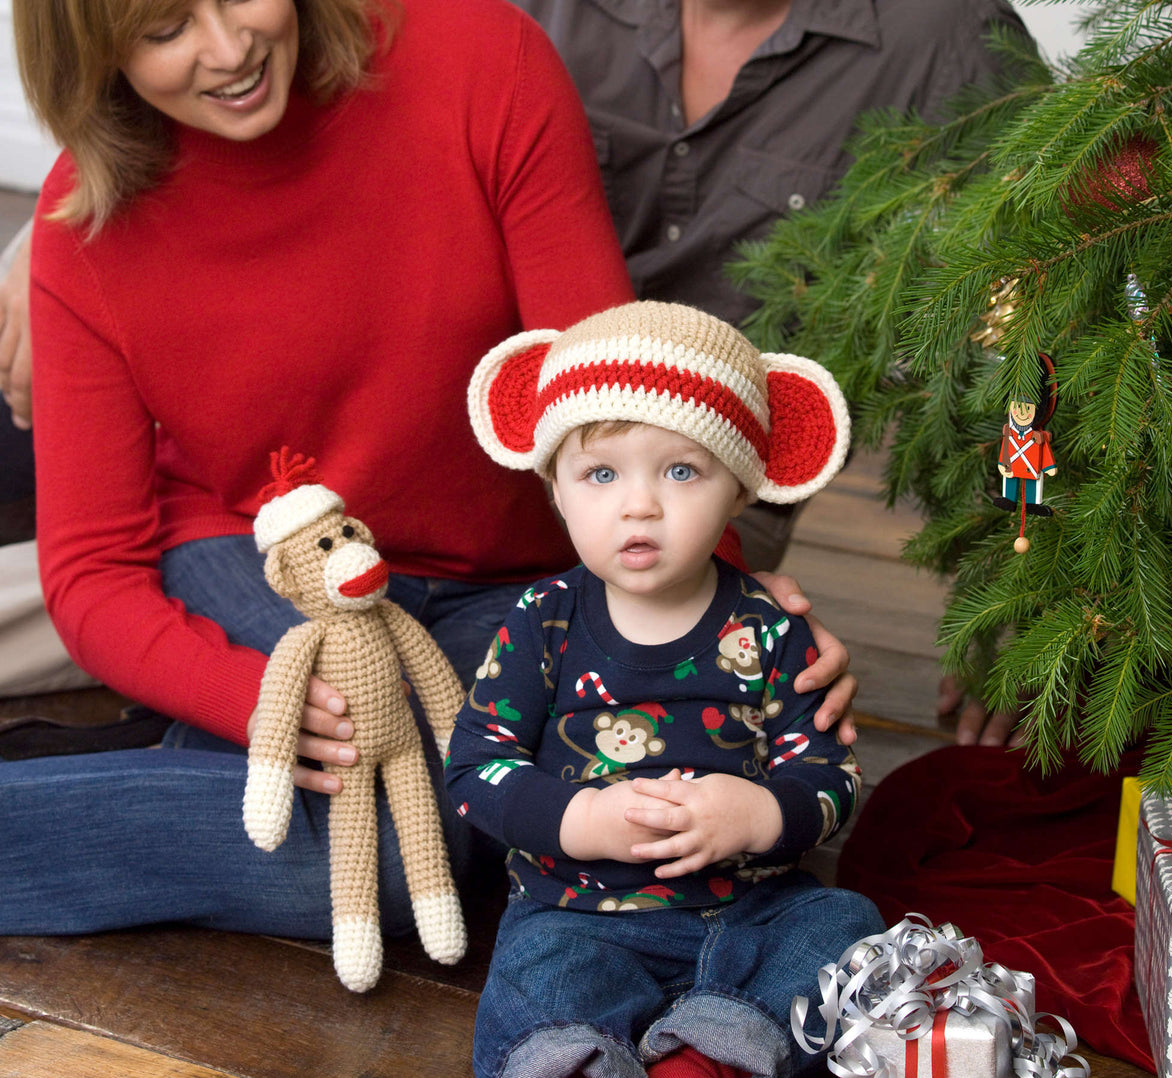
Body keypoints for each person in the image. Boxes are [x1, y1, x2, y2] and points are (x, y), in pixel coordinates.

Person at [0, 0, 848, 940]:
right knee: (405, 855)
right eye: (166, 33)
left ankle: (170, 766)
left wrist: (728, 622)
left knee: (508, 797)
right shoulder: (84, 224)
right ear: (89, 55)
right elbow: (90, 572)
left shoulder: (482, 60)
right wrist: (257, 705)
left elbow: (621, 403)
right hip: (259, 554)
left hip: (516, 580)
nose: (230, 47)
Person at [444, 300, 883, 1078]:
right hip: (580, 910)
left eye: (681, 470)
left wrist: (762, 812)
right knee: (535, 975)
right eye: (599, 474)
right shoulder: (543, 625)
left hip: (750, 915)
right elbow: (474, 768)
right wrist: (579, 818)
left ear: (743, 489)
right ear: (554, 487)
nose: (638, 504)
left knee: (847, 932)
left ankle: (706, 1069)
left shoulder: (770, 629)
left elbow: (828, 774)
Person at [513, 0, 1033, 744]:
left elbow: (1050, 318)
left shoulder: (946, 35)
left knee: (656, 725)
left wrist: (1024, 586)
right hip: (516, 437)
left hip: (727, 484)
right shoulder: (539, 14)